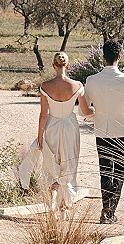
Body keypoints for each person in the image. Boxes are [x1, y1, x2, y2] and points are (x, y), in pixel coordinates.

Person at [84, 40, 124, 224]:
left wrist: (97, 115)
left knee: (105, 170)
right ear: (119, 57)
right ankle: (110, 210)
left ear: (103, 57)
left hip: (102, 131)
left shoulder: (91, 80)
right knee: (120, 171)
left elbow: (83, 110)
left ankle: (106, 209)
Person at [37, 52, 94, 216]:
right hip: (70, 126)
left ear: (53, 66)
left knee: (53, 163)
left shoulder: (45, 86)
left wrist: (40, 137)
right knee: (68, 163)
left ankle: (53, 200)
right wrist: (97, 110)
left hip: (52, 125)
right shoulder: (77, 85)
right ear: (68, 66)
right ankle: (64, 206)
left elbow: (43, 115)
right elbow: (85, 111)